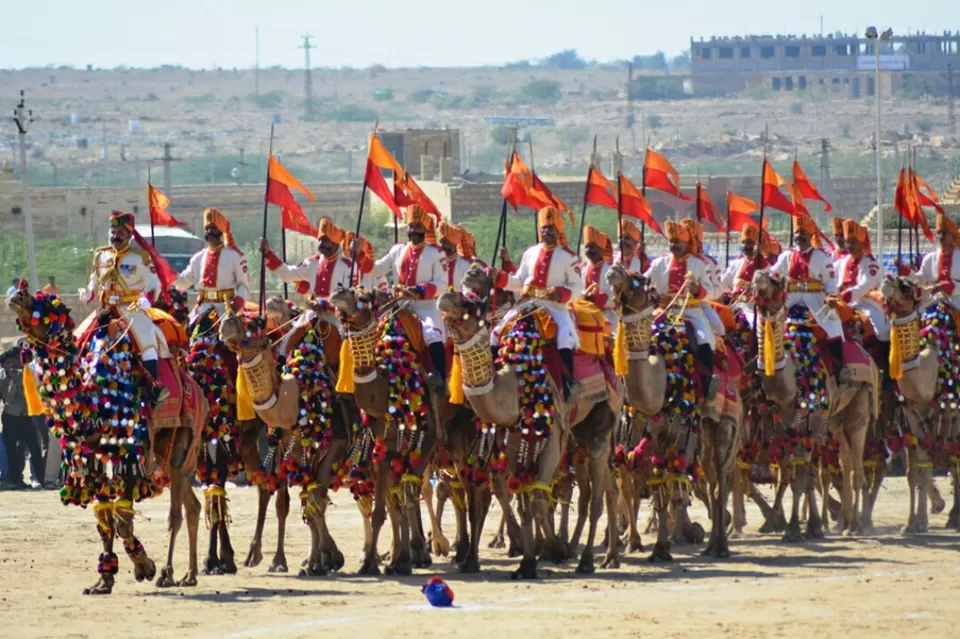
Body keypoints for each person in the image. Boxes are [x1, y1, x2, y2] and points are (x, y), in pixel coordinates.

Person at [79, 211, 171, 404]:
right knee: (79, 340)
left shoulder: (140, 258)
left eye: (121, 232)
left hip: (131, 310)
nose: (116, 236)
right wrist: (88, 294)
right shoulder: (101, 255)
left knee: (147, 343)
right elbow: (95, 282)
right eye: (113, 231)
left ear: (130, 235)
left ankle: (155, 388)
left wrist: (146, 300)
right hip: (105, 311)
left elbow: (154, 285)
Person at [493, 206, 583, 397]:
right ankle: (493, 378)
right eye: (544, 228)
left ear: (558, 231)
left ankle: (569, 383)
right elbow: (518, 282)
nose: (547, 232)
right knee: (496, 332)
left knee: (564, 337)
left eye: (551, 228)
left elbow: (578, 288)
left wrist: (559, 294)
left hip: (555, 307)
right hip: (527, 304)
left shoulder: (568, 257)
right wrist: (499, 278)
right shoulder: (530, 253)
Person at [353, 204, 448, 380]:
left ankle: (441, 380)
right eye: (411, 226)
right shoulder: (397, 250)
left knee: (432, 335)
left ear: (425, 229)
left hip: (425, 307)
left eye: (418, 226)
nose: (414, 230)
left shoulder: (437, 253)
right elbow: (376, 269)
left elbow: (442, 283)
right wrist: (359, 254)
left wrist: (419, 290)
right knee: (372, 332)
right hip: (398, 306)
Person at [644, 219, 720, 398]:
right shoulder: (660, 263)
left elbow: (712, 290)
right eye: (671, 241)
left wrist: (698, 290)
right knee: (644, 339)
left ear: (687, 243)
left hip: (691, 314)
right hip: (664, 313)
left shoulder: (698, 264)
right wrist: (650, 292)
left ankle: (708, 384)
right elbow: (645, 280)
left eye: (677, 242)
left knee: (703, 339)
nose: (674, 245)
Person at [768, 214, 846, 380]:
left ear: (811, 235)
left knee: (833, 327)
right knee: (767, 326)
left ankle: (840, 368)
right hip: (789, 303)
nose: (800, 236)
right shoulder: (786, 257)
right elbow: (772, 275)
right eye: (797, 232)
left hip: (815, 304)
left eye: (804, 233)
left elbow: (830, 282)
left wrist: (831, 296)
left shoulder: (821, 257)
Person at [174, 207, 250, 322]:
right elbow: (183, 282)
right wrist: (165, 272)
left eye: (213, 228)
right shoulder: (197, 258)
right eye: (207, 228)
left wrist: (238, 302)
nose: (209, 231)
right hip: (202, 310)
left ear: (220, 230)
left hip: (226, 310)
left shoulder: (234, 256)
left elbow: (244, 285)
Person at [261, 217, 353, 300]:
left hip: (337, 312)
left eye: (325, 240)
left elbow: (348, 297)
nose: (320, 244)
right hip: (314, 311)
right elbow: (287, 274)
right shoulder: (312, 262)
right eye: (319, 240)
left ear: (334, 244)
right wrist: (268, 254)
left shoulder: (347, 265)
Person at [834, 219, 888, 358]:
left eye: (853, 241)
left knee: (882, 330)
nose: (850, 245)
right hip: (841, 304)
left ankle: (884, 363)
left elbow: (864, 286)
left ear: (861, 242)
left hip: (865, 303)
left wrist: (846, 295)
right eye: (847, 241)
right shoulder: (840, 263)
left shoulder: (870, 263)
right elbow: (831, 282)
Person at [0, 345, 44, 489]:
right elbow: (8, 399)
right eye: (8, 363)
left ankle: (40, 478)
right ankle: (15, 480)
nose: (12, 365)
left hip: (26, 417)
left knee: (34, 448)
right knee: (12, 450)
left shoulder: (26, 374)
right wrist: (13, 380)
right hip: (10, 417)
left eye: (14, 361)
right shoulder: (2, 377)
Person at [913, 212, 960, 310]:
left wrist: (947, 286)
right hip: (933, 306)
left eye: (944, 233)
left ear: (952, 235)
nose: (941, 236)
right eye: (939, 233)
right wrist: (907, 272)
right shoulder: (929, 258)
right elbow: (920, 279)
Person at [581, 225, 616, 329]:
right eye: (587, 247)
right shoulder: (583, 269)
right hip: (586, 317)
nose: (589, 250)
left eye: (593, 247)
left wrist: (595, 298)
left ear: (601, 249)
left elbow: (615, 297)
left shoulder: (610, 270)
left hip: (608, 318)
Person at [437, 221, 476, 292]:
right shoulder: (435, 262)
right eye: (441, 242)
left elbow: (469, 290)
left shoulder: (466, 264)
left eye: (445, 242)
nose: (441, 246)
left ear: (454, 244)